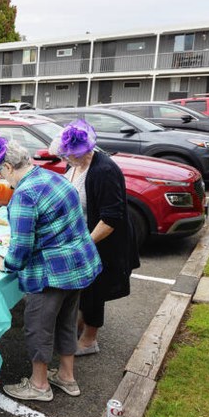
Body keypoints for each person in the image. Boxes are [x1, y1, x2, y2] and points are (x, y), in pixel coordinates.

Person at [0, 135, 100, 402]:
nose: (1, 178)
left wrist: (5, 264)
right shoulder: (54, 177)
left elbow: (21, 248)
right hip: (78, 267)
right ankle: (66, 377)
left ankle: (39, 385)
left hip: (51, 273)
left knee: (38, 327)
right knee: (66, 323)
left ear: (9, 168)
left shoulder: (24, 194)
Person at [51, 120, 139, 356]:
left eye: (70, 155)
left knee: (94, 290)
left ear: (84, 150)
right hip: (84, 234)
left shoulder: (104, 171)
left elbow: (111, 218)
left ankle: (90, 340)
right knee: (84, 289)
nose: (66, 159)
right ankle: (80, 326)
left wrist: (85, 244)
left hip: (104, 241)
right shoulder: (76, 165)